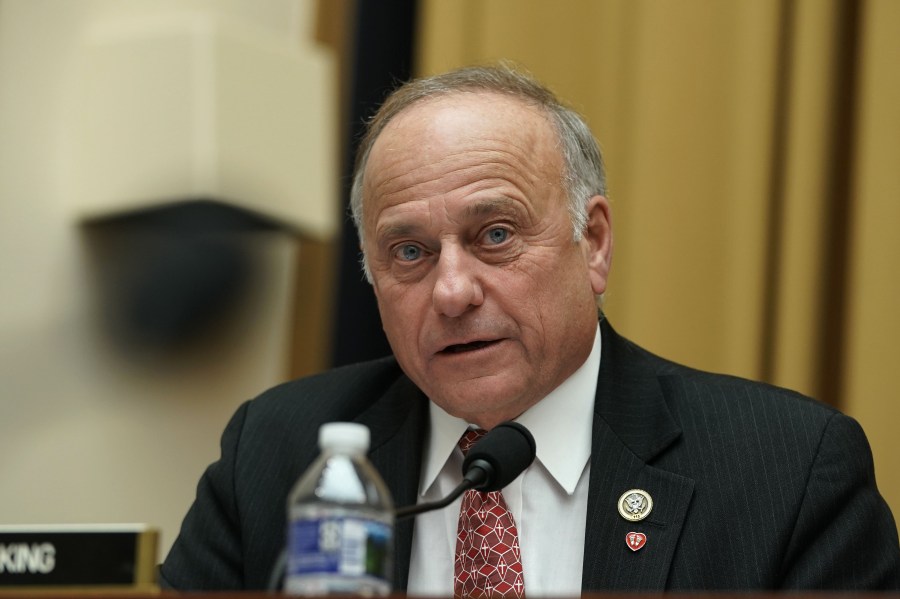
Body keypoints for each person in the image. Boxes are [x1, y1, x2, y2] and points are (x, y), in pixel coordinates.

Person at [159, 64, 900, 592]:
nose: (451, 290)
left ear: (595, 241)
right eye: (409, 251)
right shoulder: (277, 453)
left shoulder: (787, 472)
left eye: (496, 234)